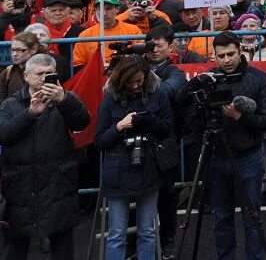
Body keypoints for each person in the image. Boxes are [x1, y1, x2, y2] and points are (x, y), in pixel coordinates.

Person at [179, 31, 266, 260]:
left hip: (248, 157)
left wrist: (238, 116)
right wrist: (195, 83)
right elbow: (182, 104)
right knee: (221, 218)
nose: (227, 60)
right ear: (214, 56)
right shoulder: (209, 78)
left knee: (252, 217)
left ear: (240, 51)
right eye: (221, 56)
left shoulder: (259, 79)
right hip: (216, 157)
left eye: (231, 54)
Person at [0, 53, 90, 260]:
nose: (44, 78)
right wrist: (29, 114)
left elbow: (82, 123)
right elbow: (3, 135)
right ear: (27, 76)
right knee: (15, 245)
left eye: (49, 73)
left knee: (63, 245)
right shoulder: (10, 105)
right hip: (20, 185)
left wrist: (65, 101)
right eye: (39, 73)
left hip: (58, 181)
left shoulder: (67, 98)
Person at [95, 54, 174, 260]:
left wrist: (150, 122)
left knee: (147, 231)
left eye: (140, 81)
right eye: (131, 82)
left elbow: (167, 129)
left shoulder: (157, 93)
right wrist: (119, 126)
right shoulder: (110, 99)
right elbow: (100, 142)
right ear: (122, 80)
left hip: (149, 167)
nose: (136, 86)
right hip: (118, 170)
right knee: (117, 234)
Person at [146, 27, 190, 260]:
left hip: (165, 140)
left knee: (166, 193)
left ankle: (168, 238)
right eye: (150, 45)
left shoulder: (174, 72)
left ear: (170, 47)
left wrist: (137, 81)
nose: (154, 50)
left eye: (159, 45)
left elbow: (168, 91)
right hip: (140, 139)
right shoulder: (137, 67)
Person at [72, 0, 143, 72]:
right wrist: (97, 69)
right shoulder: (85, 36)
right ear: (95, 11)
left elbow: (141, 57)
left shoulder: (133, 30)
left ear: (117, 9)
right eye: (100, 9)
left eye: (108, 9)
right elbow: (78, 64)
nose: (104, 13)